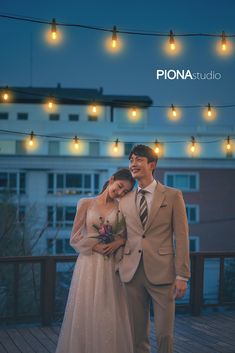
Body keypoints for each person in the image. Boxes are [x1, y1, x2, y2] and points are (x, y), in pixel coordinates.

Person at [118, 145, 190, 353]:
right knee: (137, 333)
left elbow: (182, 236)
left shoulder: (173, 195)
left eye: (138, 159)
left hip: (163, 273)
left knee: (164, 334)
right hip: (131, 274)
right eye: (131, 160)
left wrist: (182, 276)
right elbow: (122, 236)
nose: (133, 164)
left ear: (152, 165)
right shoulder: (124, 199)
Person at [55, 168, 135, 353]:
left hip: (111, 264)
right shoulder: (85, 203)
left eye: (125, 192)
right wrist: (95, 247)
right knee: (87, 307)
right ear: (112, 179)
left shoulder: (121, 208)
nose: (120, 192)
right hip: (89, 263)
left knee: (109, 308)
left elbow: (127, 236)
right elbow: (74, 237)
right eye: (120, 187)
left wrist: (118, 242)